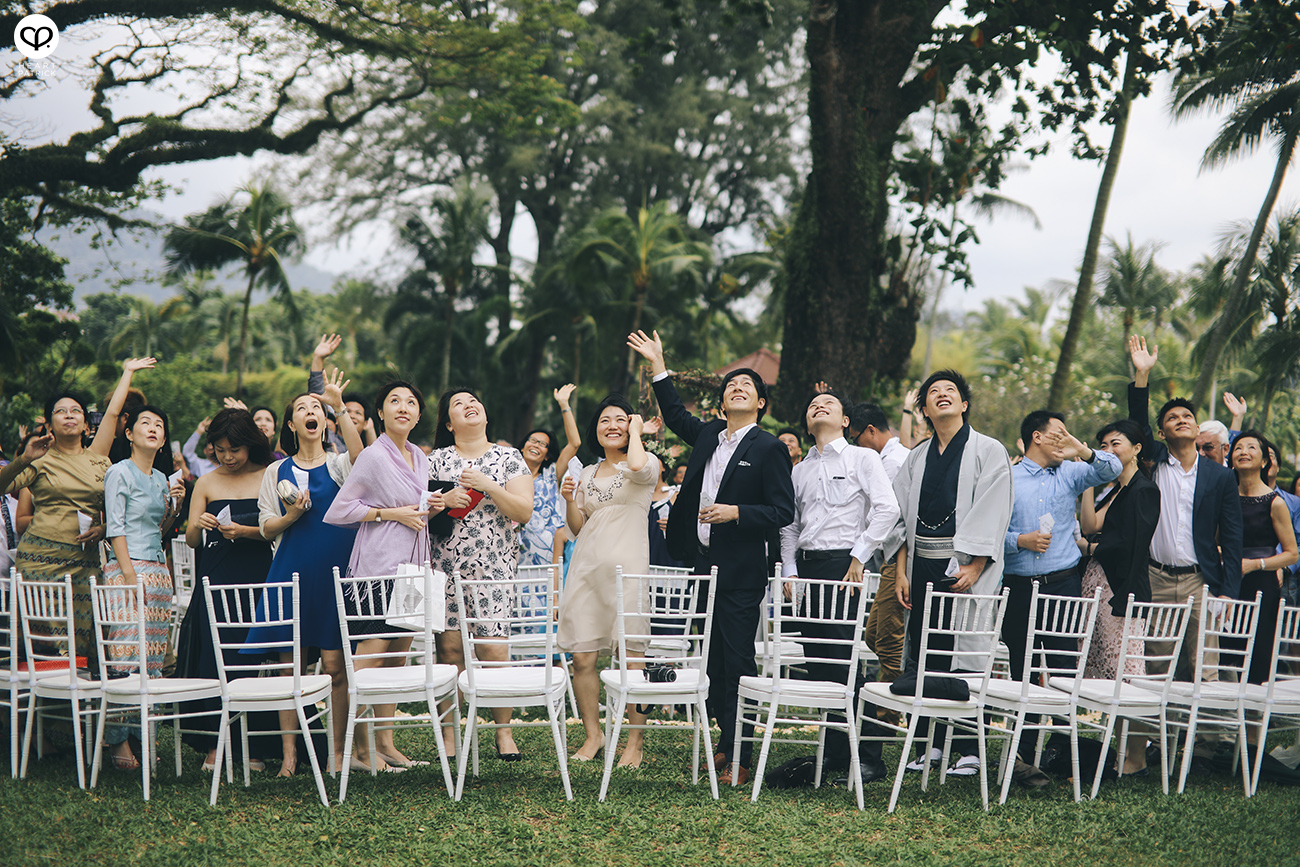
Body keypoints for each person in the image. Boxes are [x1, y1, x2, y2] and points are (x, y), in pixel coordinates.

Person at [627, 329, 795, 787]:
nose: (736, 388)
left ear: (760, 403)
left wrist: (736, 512)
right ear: (721, 404)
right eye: (730, 387)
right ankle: (724, 746)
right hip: (703, 568)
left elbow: (783, 511)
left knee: (738, 659)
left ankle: (742, 754)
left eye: (747, 386)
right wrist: (659, 364)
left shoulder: (769, 448)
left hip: (742, 573)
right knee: (715, 661)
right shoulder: (706, 437)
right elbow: (675, 410)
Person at [890, 369, 1013, 777]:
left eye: (951, 391)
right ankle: (930, 745)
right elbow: (902, 518)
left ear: (964, 404)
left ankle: (968, 747)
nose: (941, 395)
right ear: (923, 408)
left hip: (964, 565)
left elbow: (995, 511)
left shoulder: (988, 450)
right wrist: (901, 572)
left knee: (965, 655)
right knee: (928, 649)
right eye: (932, 393)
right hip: (921, 563)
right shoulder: (916, 456)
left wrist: (976, 565)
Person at [0, 357, 157, 670]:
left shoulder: (99, 458)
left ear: (86, 424)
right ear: (50, 423)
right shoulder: (40, 459)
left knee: (81, 642)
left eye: (75, 411)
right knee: (40, 643)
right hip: (39, 564)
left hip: (84, 565)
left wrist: (126, 372)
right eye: (60, 411)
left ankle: (74, 713)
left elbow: (113, 412)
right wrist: (23, 459)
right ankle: (42, 709)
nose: (68, 415)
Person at [245, 368, 363, 777]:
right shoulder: (276, 472)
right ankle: (290, 756)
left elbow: (364, 458)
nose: (310, 412)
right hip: (291, 571)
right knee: (287, 668)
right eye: (302, 409)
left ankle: (336, 754)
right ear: (292, 425)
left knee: (334, 667)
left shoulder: (340, 464)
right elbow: (264, 527)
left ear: (324, 421)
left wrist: (339, 406)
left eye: (316, 408)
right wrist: (292, 514)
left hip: (334, 574)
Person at [778, 390, 900, 786]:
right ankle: (835, 750)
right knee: (818, 665)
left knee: (843, 662)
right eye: (813, 404)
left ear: (845, 420)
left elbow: (887, 507)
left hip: (843, 566)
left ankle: (869, 754)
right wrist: (790, 571)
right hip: (807, 570)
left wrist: (859, 557)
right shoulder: (799, 470)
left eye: (829, 404)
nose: (819, 406)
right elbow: (790, 526)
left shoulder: (862, 458)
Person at [1001, 410, 1121, 783]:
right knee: (1022, 668)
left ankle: (1064, 754)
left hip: (1064, 584)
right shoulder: (1007, 477)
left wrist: (1081, 449)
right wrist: (1019, 541)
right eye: (1059, 433)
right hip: (1018, 586)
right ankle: (1023, 754)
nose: (1065, 438)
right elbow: (987, 530)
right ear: (1036, 437)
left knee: (1065, 668)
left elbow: (1112, 469)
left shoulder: (1072, 472)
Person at [324, 381, 434, 770]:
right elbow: (340, 510)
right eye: (394, 402)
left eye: (411, 402)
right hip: (377, 570)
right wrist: (389, 514)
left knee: (397, 657)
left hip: (414, 569)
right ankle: (352, 749)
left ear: (419, 414)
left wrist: (436, 504)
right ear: (381, 415)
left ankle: (385, 743)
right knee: (369, 658)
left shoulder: (421, 458)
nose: (403, 407)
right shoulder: (372, 456)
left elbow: (417, 509)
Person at [1127, 336, 1243, 684]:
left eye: (1187, 416)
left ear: (1197, 429)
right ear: (1161, 432)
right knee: (1158, 670)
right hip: (1157, 579)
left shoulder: (1220, 477)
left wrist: (1228, 591)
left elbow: (1233, 537)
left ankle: (1210, 739)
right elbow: (1136, 424)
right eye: (1172, 417)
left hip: (1200, 581)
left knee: (1205, 670)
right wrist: (1142, 375)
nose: (1181, 419)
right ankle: (1156, 740)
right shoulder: (1153, 464)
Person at [426, 388, 534, 759]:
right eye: (458, 404)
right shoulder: (435, 460)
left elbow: (523, 512)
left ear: (485, 414)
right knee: (451, 649)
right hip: (445, 568)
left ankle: (503, 732)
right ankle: (453, 733)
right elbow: (419, 512)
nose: (469, 405)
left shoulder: (508, 457)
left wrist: (489, 486)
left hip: (493, 569)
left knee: (492, 649)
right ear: (448, 422)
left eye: (473, 401)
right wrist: (444, 502)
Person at [558, 395, 661, 766]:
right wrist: (570, 500)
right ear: (595, 429)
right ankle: (593, 735)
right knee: (582, 657)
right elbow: (577, 527)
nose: (612, 425)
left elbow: (635, 461)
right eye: (605, 420)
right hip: (586, 573)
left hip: (628, 576)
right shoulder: (587, 472)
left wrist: (637, 430)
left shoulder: (647, 463)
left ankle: (635, 743)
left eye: (620, 419)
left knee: (632, 659)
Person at [176, 407, 275, 772]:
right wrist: (198, 524)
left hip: (258, 579)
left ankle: (255, 745)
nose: (228, 457)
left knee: (255, 662)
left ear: (250, 444)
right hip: (216, 580)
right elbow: (189, 538)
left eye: (234, 449)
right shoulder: (206, 482)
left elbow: (279, 525)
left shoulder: (268, 475)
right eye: (220, 449)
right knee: (217, 662)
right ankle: (216, 744)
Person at [100, 404, 187, 770]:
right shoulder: (119, 472)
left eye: (159, 426)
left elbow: (162, 529)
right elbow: (115, 528)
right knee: (125, 658)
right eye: (144, 424)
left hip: (158, 573)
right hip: (126, 573)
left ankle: (140, 737)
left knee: (150, 662)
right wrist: (130, 577)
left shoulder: (160, 479)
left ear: (163, 439)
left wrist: (175, 506)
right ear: (129, 434)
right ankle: (117, 743)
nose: (152, 429)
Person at [1078, 418, 1161, 777]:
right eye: (1104, 446)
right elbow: (1089, 525)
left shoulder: (1143, 490)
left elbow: (1132, 544)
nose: (1108, 451)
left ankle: (1136, 759)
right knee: (1111, 673)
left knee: (1129, 674)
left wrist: (1091, 547)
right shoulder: (1115, 490)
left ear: (1136, 449)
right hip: (1098, 586)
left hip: (1121, 589)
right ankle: (1123, 754)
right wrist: (1086, 481)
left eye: (1116, 444)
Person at [1226, 431, 1297, 685]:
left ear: (1265, 461)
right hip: (1228, 584)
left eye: (1251, 448)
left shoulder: (1275, 502)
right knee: (1223, 654)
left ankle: (1257, 722)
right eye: (1238, 448)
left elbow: (1291, 554)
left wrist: (1257, 564)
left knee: (1258, 656)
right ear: (1231, 458)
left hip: (1262, 587)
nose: (1243, 452)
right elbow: (1212, 543)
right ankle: (1226, 720)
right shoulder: (1225, 498)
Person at [848, 401, 910, 690]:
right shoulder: (892, 457)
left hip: (900, 558)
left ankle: (891, 709)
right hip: (889, 556)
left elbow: (894, 518)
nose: (854, 445)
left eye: (855, 438)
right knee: (875, 635)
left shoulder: (893, 463)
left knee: (887, 637)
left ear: (870, 431)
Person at [516, 384, 583, 625]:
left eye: (543, 444)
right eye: (532, 440)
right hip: (515, 556)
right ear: (522, 446)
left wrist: (564, 405)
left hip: (548, 560)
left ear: (547, 454)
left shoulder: (550, 474)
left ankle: (546, 662)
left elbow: (574, 443)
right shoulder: (508, 475)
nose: (536, 445)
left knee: (545, 616)